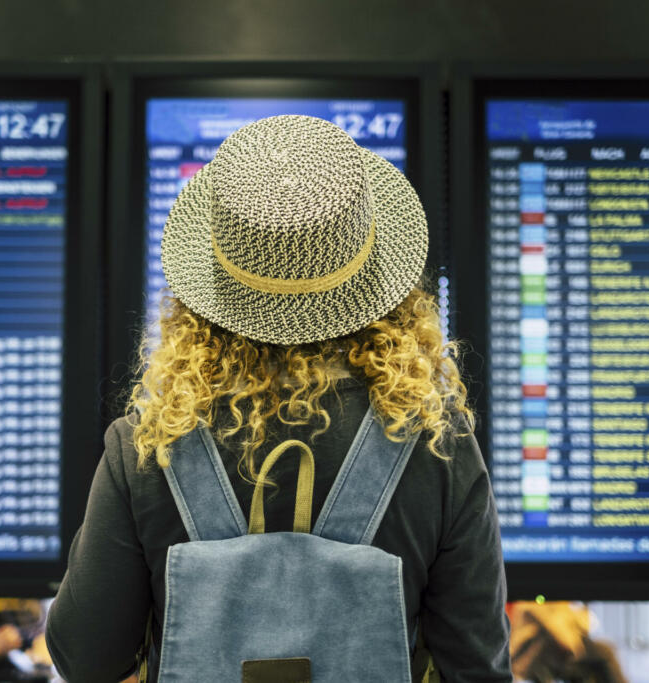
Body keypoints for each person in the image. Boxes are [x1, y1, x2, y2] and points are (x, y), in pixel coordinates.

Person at [46, 115, 511, 682]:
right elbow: (478, 668)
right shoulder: (437, 448)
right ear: (383, 286)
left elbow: (85, 657)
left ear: (205, 297)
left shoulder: (147, 446)